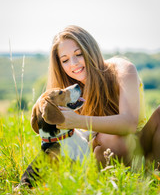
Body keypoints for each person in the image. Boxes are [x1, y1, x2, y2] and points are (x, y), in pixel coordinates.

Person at [46, 25, 160, 168]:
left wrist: (78, 121)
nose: (73, 64)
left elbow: (129, 124)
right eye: (65, 60)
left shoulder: (122, 70)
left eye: (79, 54)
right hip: (106, 148)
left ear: (90, 50)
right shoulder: (67, 93)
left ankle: (154, 173)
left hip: (141, 142)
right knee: (110, 139)